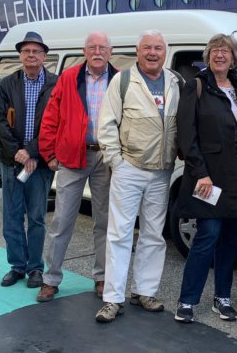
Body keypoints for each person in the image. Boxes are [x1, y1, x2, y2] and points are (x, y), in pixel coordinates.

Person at [94, 30, 181, 323]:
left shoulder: (174, 81)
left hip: (161, 170)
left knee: (154, 235)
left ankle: (144, 291)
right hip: (129, 167)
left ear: (165, 51)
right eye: (147, 48)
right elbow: (106, 124)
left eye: (158, 47)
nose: (153, 53)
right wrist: (116, 163)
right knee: (119, 234)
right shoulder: (122, 81)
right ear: (137, 51)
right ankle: (112, 299)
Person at [173, 34, 237, 323]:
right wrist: (201, 173)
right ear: (208, 56)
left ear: (233, 57)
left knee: (230, 239)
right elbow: (186, 134)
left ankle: (223, 298)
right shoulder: (196, 86)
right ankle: (187, 300)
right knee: (208, 236)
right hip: (209, 177)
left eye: (226, 51)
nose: (220, 55)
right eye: (215, 51)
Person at [37, 32, 117, 302]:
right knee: (62, 221)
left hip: (105, 158)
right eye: (92, 47)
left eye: (102, 47)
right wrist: (48, 153)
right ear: (84, 51)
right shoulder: (69, 78)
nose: (97, 51)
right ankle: (51, 279)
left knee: (104, 222)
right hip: (73, 156)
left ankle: (102, 277)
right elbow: (50, 116)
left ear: (110, 51)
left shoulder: (120, 80)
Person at [0, 32, 58, 288]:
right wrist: (17, 152)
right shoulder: (8, 83)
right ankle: (17, 266)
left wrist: (32, 152)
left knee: (37, 217)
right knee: (11, 216)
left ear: (44, 56)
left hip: (40, 164)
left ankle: (35, 268)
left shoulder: (55, 84)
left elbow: (55, 122)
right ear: (20, 56)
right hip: (11, 161)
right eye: (26, 51)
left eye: (36, 51)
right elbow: (0, 121)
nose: (31, 55)